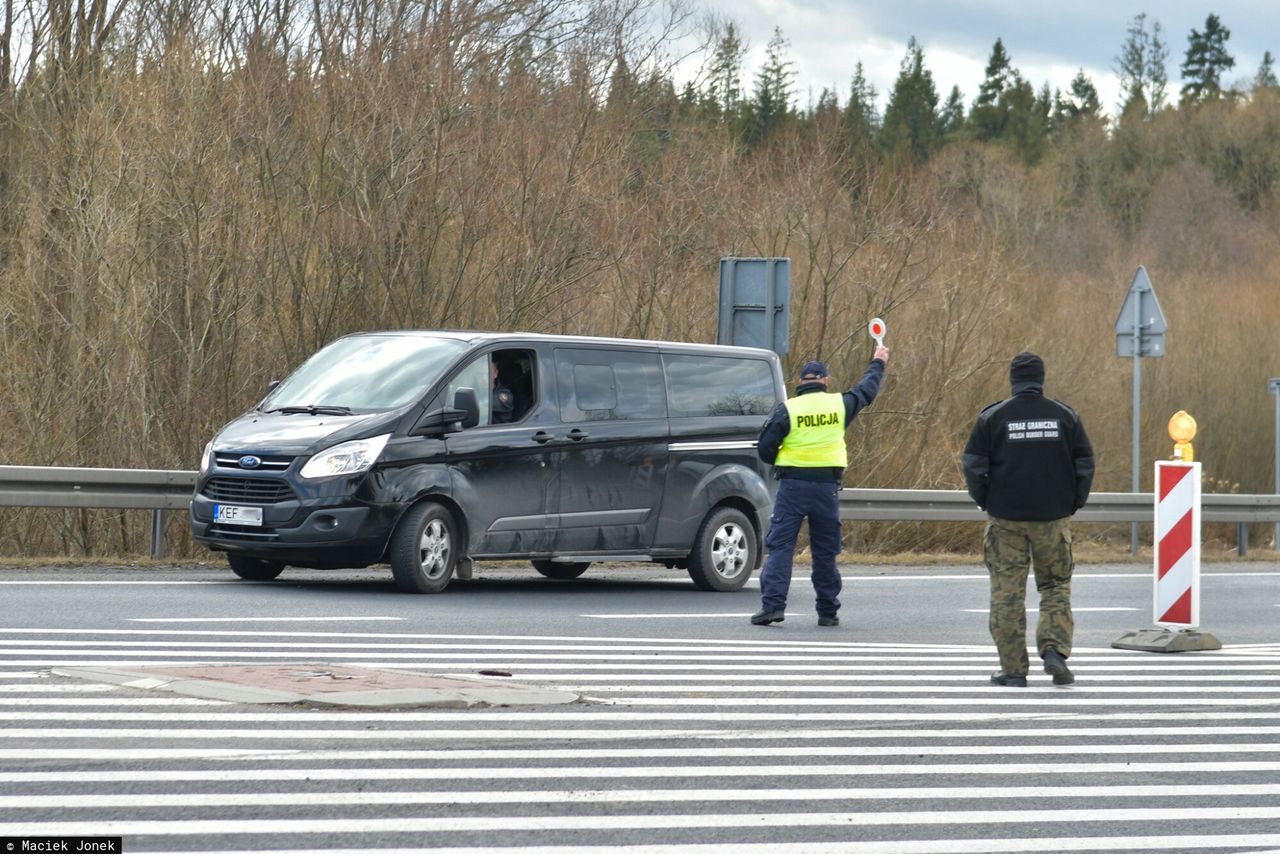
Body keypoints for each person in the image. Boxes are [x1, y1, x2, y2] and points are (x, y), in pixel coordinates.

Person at [962, 352, 1095, 687]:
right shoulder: (1065, 417)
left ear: (1013, 379)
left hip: (1006, 519)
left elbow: (974, 465)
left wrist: (986, 501)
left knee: (1007, 592)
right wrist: (1073, 502)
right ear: (1041, 378)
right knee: (1054, 585)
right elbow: (1084, 464)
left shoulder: (992, 418)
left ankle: (1013, 670)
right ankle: (1054, 650)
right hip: (1053, 517)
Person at [751, 347, 889, 628]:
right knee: (825, 551)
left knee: (781, 548)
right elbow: (867, 390)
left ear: (801, 383)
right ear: (825, 381)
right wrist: (878, 361)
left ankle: (773, 607)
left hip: (793, 486)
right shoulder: (839, 405)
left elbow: (764, 449)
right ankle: (828, 612)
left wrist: (783, 459)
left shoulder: (788, 409)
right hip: (827, 489)